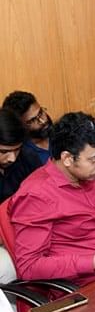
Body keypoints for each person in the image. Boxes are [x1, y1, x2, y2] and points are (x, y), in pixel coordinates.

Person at [10, 112, 95, 286]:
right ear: (68, 158)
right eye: (94, 159)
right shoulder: (36, 195)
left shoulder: (91, 177)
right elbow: (29, 266)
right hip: (89, 285)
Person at [0, 109, 43, 285]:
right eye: (3, 151)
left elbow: (42, 198)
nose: (11, 158)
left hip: (30, 229)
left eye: (16, 150)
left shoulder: (27, 157)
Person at [2, 91, 53, 164]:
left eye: (40, 112)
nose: (43, 121)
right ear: (20, 125)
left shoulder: (62, 133)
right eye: (32, 120)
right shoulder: (22, 156)